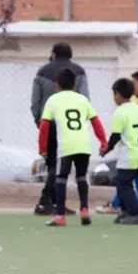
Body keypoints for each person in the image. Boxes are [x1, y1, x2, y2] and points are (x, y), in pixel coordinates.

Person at [37, 68, 107, 227]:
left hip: (66, 147)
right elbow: (96, 122)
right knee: (81, 177)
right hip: (84, 144)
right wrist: (103, 141)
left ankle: (60, 216)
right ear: (75, 85)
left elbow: (44, 126)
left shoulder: (53, 100)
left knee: (61, 179)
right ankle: (84, 209)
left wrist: (42, 148)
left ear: (57, 85)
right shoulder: (83, 100)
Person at [30, 42, 91, 216]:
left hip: (48, 124)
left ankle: (48, 202)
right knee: (61, 167)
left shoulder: (42, 72)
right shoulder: (79, 72)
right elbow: (85, 99)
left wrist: (39, 122)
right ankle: (53, 202)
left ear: (54, 54)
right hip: (71, 127)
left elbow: (35, 102)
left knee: (53, 165)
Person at [97, 71, 138, 215]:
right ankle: (128, 210)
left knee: (123, 185)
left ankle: (135, 213)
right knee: (130, 181)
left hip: (128, 156)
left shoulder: (119, 112)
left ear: (117, 94)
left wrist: (106, 150)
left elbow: (116, 136)